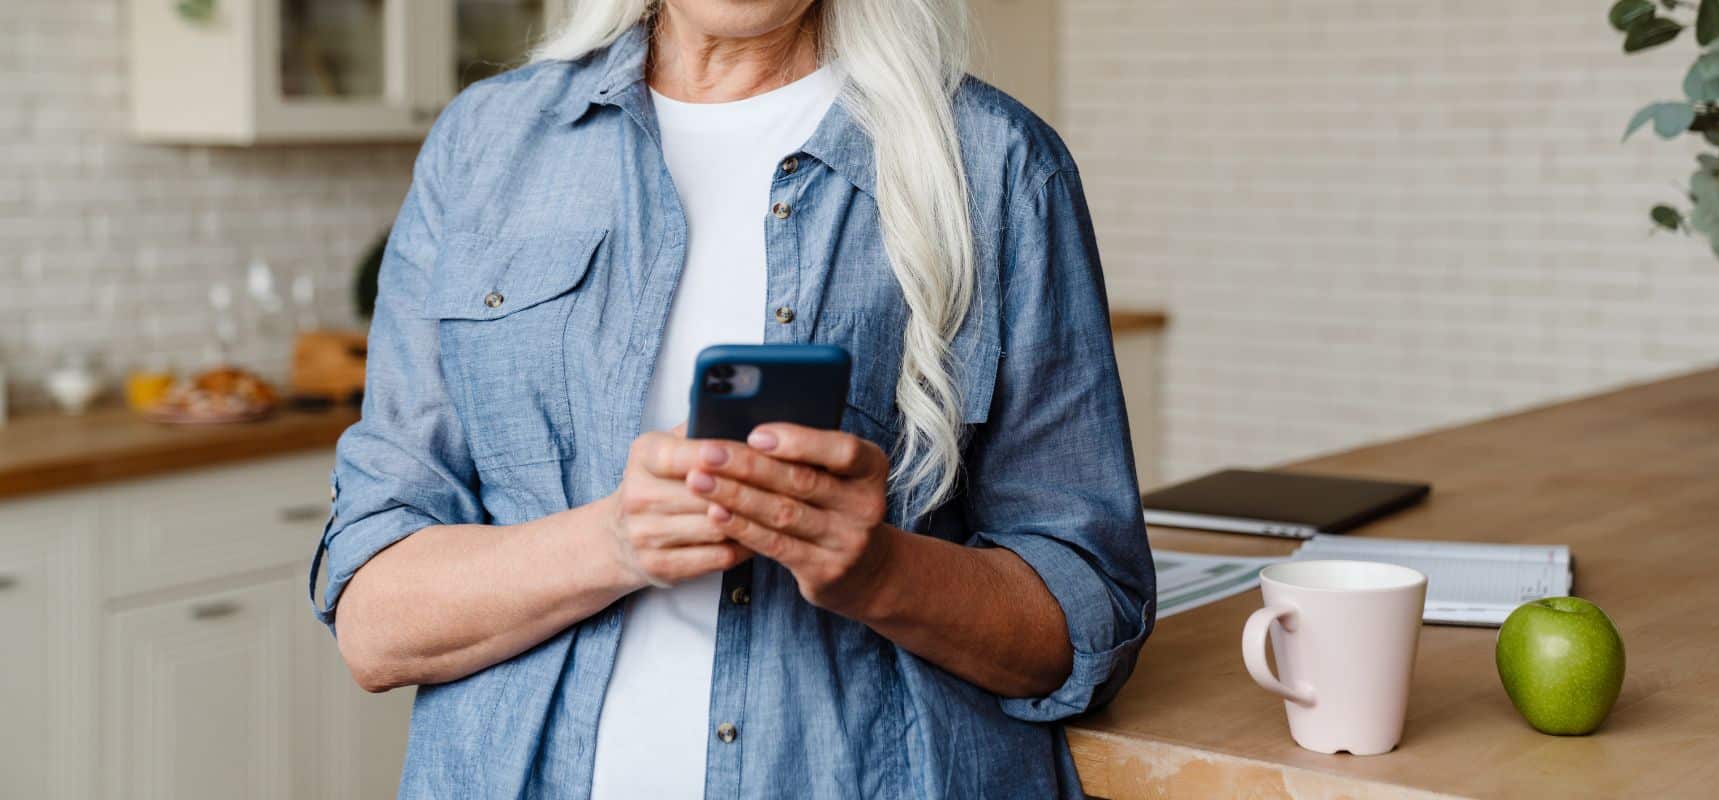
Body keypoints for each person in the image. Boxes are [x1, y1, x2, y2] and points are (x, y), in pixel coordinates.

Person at [308, 0, 1153, 796]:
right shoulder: (486, 146)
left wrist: (876, 568)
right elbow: (377, 624)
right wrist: (615, 542)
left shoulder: (997, 165)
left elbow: (1085, 621)